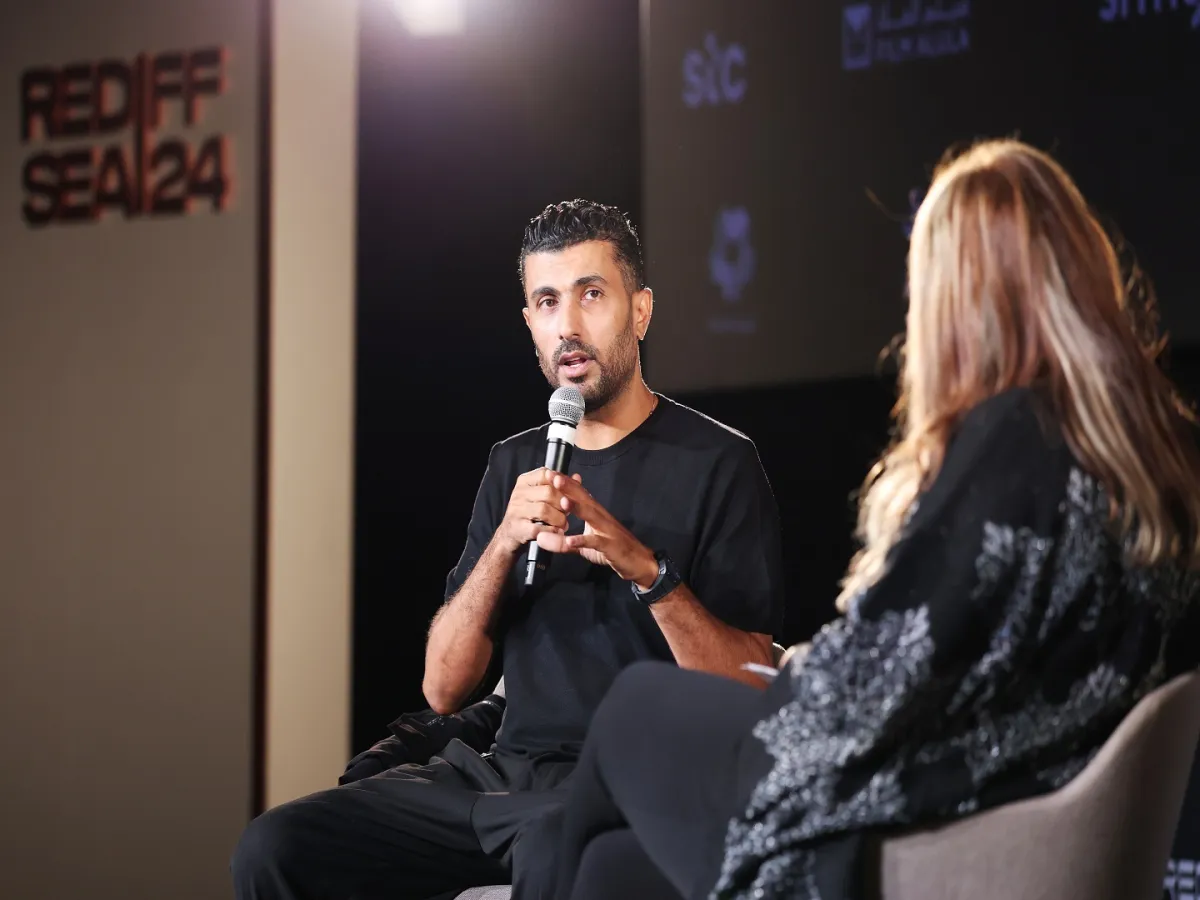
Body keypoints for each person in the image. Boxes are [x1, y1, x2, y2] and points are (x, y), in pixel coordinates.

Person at [546, 139, 1200, 900]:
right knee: (613, 869)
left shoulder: (1016, 437)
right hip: (1025, 802)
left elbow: (891, 667)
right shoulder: (1149, 450)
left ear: (958, 293)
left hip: (938, 815)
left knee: (632, 707)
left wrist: (796, 673)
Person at [230, 199, 786, 900]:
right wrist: (502, 543)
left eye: (591, 294)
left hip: (623, 785)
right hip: (497, 780)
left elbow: (750, 688)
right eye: (547, 303)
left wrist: (647, 570)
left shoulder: (718, 462)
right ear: (530, 325)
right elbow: (442, 689)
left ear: (641, 311)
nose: (568, 326)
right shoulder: (513, 465)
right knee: (274, 848)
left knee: (556, 851)